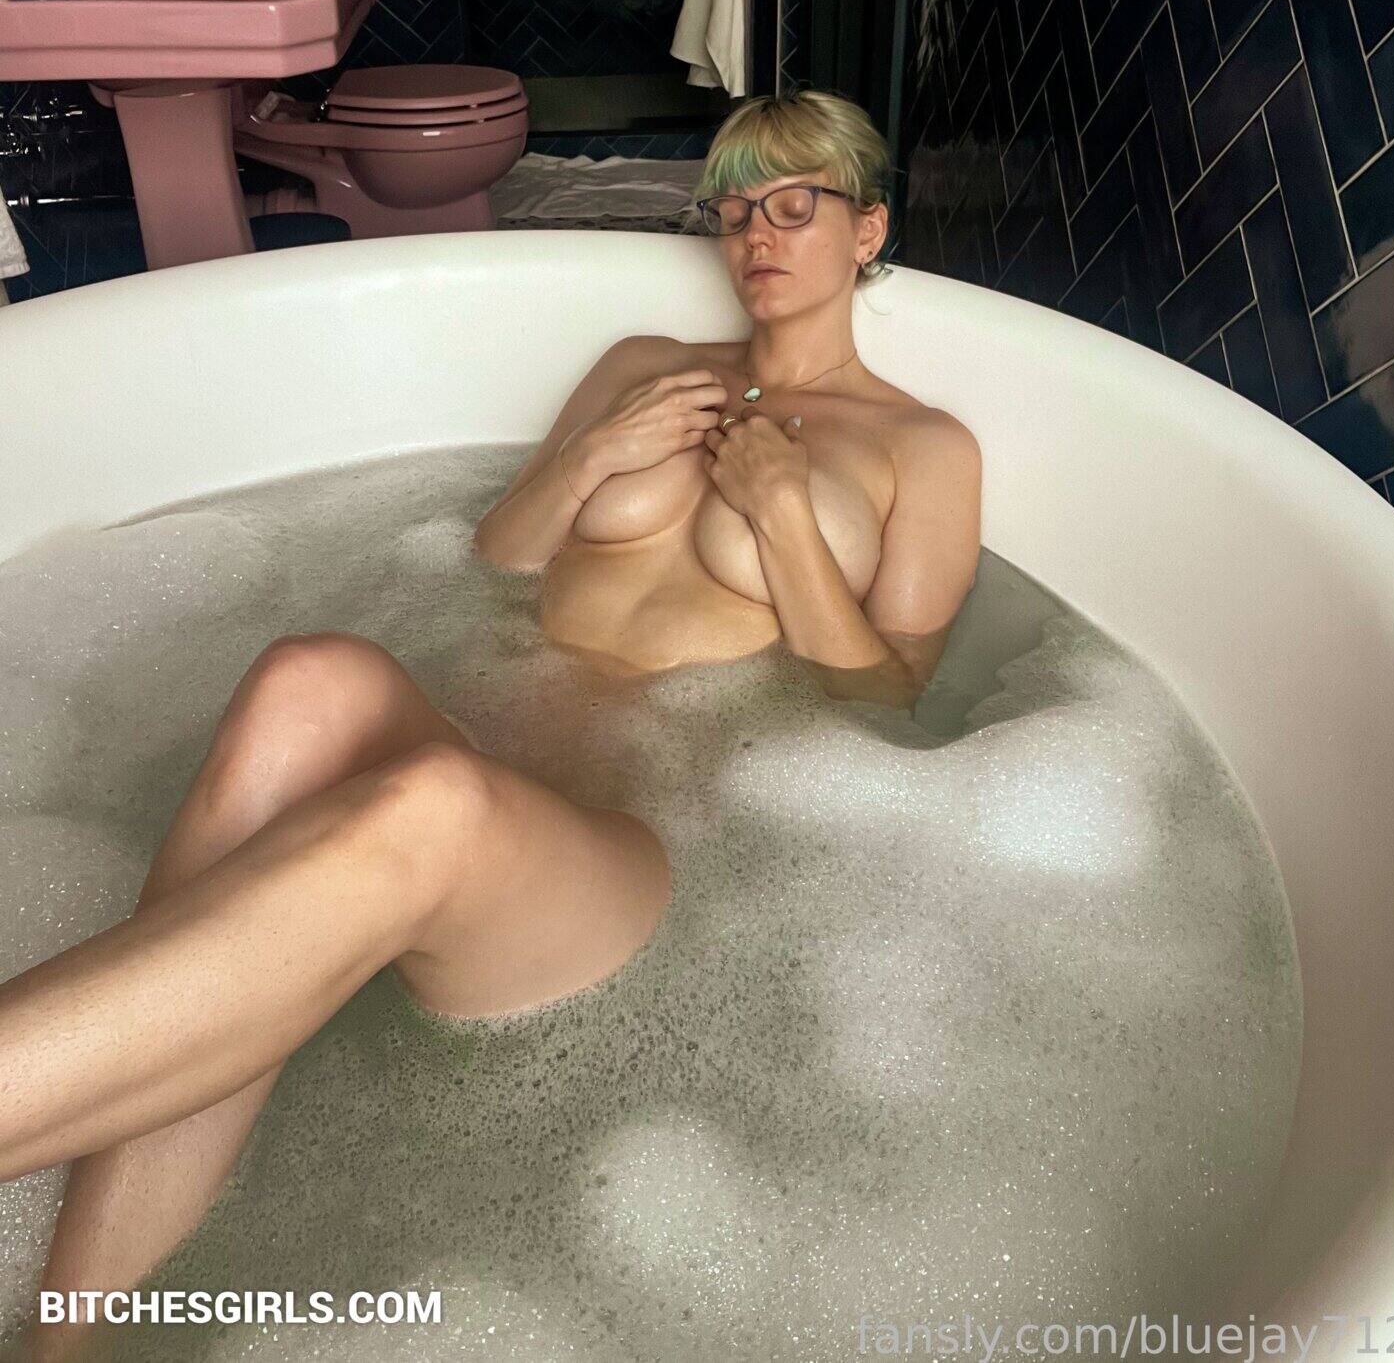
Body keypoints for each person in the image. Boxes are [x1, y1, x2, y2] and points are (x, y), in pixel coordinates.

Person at [6, 90, 979, 1360]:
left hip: (637, 837)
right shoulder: (644, 367)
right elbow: (497, 557)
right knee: (310, 676)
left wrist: (785, 513)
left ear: (869, 230)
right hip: (486, 735)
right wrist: (592, 457)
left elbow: (883, 701)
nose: (757, 235)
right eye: (734, 207)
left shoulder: (923, 448)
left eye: (795, 206)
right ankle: (65, 1333)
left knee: (435, 804)